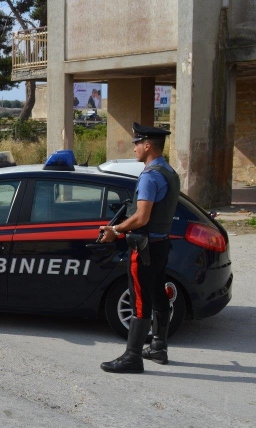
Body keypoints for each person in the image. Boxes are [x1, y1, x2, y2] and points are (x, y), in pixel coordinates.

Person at [98, 122, 180, 374]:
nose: (134, 148)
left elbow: (142, 217)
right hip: (160, 245)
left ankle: (132, 357)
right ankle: (158, 347)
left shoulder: (150, 176)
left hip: (144, 248)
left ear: (147, 145)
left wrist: (116, 230)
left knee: (141, 303)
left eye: (136, 143)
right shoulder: (169, 172)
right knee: (158, 295)